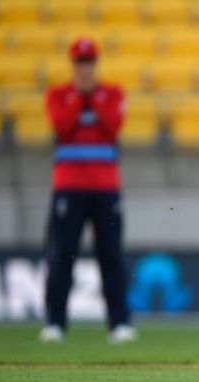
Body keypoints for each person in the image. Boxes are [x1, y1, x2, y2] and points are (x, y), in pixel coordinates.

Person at [39, 37, 136, 344]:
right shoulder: (57, 95)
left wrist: (90, 98)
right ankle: (55, 322)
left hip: (105, 189)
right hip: (68, 187)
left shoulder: (112, 94)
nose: (85, 69)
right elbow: (62, 127)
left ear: (95, 64)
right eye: (80, 63)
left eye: (89, 62)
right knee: (61, 254)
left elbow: (112, 126)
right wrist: (80, 98)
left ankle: (119, 324)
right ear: (73, 65)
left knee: (111, 255)